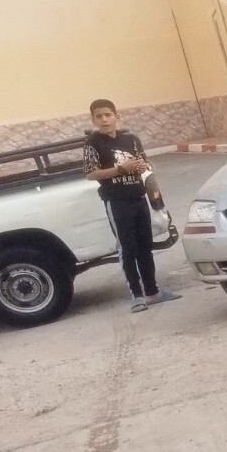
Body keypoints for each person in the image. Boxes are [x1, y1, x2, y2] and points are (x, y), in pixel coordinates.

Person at [83, 99, 180, 312]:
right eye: (99, 116)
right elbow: (91, 173)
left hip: (138, 198)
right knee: (127, 249)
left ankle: (153, 292)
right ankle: (136, 295)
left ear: (117, 116)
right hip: (116, 201)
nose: (104, 120)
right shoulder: (93, 143)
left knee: (145, 246)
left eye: (108, 115)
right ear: (93, 120)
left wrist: (143, 166)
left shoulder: (131, 139)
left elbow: (145, 163)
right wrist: (121, 169)